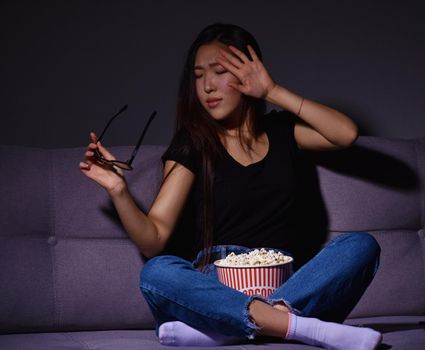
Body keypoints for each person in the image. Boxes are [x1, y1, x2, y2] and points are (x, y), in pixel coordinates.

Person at [79, 23, 382, 350]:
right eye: (198, 75)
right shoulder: (193, 144)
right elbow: (154, 240)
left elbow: (345, 134)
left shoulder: (283, 131)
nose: (207, 86)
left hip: (286, 282)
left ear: (250, 73)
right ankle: (302, 327)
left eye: (219, 71)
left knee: (362, 246)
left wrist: (272, 90)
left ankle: (228, 329)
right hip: (215, 285)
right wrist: (118, 190)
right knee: (157, 271)